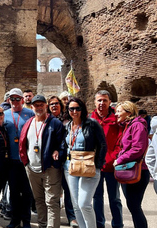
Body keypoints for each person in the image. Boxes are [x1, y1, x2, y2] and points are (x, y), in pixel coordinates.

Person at [19, 95, 64, 228]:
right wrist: (25, 163)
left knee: (52, 201)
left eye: (41, 104)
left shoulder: (55, 123)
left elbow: (62, 143)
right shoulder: (28, 123)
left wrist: (58, 152)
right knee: (39, 200)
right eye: (36, 105)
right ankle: (42, 224)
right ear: (31, 107)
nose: (39, 107)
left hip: (50, 168)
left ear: (46, 106)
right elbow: (23, 144)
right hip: (32, 169)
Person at [62, 97, 107, 228]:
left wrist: (98, 165)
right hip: (70, 167)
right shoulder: (67, 126)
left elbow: (103, 145)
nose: (74, 111)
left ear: (82, 109)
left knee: (84, 204)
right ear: (68, 110)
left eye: (77, 108)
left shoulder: (91, 124)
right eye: (71, 108)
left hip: (88, 166)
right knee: (76, 205)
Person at [90, 90, 123, 228]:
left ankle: (117, 224)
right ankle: (99, 224)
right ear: (95, 102)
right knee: (97, 198)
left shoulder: (117, 119)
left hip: (111, 165)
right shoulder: (90, 119)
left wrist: (113, 158)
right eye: (99, 100)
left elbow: (120, 142)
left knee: (114, 198)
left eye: (104, 100)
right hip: (95, 165)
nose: (102, 103)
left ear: (110, 102)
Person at [2, 88, 34, 228]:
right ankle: (15, 220)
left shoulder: (30, 114)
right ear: (9, 100)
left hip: (26, 160)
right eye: (12, 99)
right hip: (11, 160)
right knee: (14, 192)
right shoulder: (4, 115)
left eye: (17, 99)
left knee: (27, 192)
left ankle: (26, 221)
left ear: (22, 100)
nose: (14, 101)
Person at [114, 101, 149, 228]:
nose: (116, 114)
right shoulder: (129, 125)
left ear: (128, 112)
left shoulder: (137, 125)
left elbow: (138, 149)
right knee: (133, 206)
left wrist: (120, 159)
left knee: (134, 206)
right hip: (129, 169)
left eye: (119, 111)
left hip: (137, 170)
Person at [47, 96, 77, 227]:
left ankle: (72, 217)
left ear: (61, 105)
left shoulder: (68, 120)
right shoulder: (45, 120)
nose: (54, 106)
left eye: (56, 103)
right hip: (50, 160)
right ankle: (54, 217)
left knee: (68, 189)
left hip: (66, 160)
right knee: (52, 191)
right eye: (51, 104)